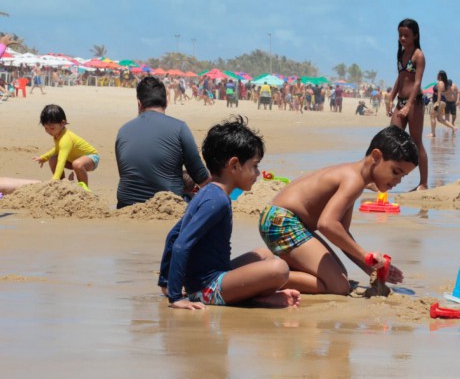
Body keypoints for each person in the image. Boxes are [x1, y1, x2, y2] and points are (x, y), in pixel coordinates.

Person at [158, 116, 301, 310]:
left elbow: (173, 235)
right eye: (255, 166)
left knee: (263, 254)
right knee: (280, 269)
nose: (258, 174)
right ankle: (255, 300)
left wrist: (165, 282)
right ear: (234, 165)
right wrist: (175, 297)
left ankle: (255, 297)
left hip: (210, 278)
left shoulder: (207, 192)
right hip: (206, 289)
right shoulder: (217, 200)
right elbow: (181, 244)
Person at [258, 125, 416, 295]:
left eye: (403, 176)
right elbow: (326, 224)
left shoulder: (356, 178)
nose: (398, 180)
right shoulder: (353, 180)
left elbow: (341, 233)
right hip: (282, 221)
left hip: (279, 220)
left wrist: (371, 269)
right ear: (376, 156)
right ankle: (259, 276)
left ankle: (272, 269)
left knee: (341, 276)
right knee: (338, 286)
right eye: (395, 171)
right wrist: (365, 256)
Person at [115, 76, 210, 208]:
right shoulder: (180, 128)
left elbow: (130, 173)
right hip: (167, 206)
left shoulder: (123, 131)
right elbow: (202, 177)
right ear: (166, 102)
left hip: (126, 206)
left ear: (139, 104)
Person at [387, 18, 428, 190]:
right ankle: (385, 178)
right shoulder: (401, 53)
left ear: (415, 36)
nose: (403, 38)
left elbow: (417, 83)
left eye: (406, 35)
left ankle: (423, 183)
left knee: (416, 142)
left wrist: (408, 105)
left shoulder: (418, 55)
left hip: (415, 103)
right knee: (391, 138)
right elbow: (401, 77)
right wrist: (391, 97)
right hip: (400, 102)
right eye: (400, 35)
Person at [33, 104, 100, 186]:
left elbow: (62, 159)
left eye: (52, 128)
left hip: (91, 158)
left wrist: (55, 178)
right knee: (53, 159)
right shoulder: (57, 135)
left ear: (62, 123)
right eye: (46, 128)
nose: (49, 131)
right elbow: (57, 149)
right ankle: (62, 183)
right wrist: (44, 157)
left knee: (77, 164)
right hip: (73, 160)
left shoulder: (65, 138)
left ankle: (84, 188)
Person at [428, 70, 457, 137]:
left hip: (439, 101)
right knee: (440, 119)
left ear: (440, 76)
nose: (437, 75)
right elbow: (445, 92)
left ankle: (433, 133)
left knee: (432, 116)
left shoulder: (440, 83)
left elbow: (439, 94)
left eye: (438, 74)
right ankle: (454, 127)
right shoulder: (444, 83)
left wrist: (437, 103)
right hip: (442, 101)